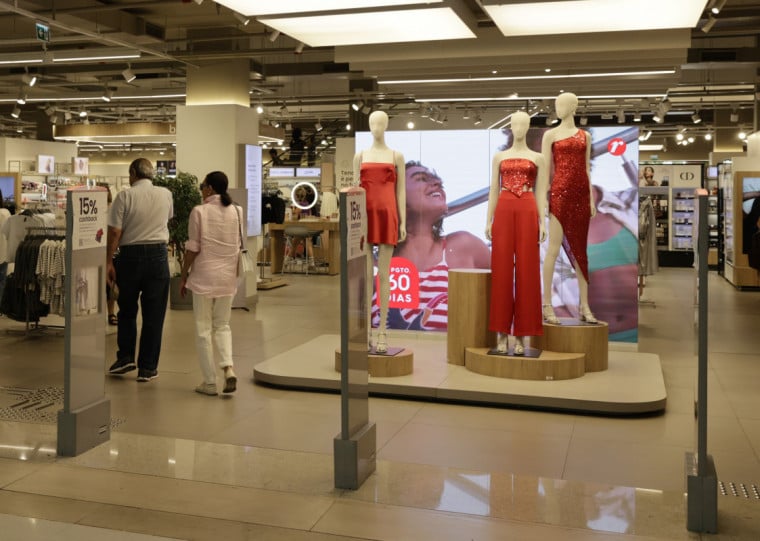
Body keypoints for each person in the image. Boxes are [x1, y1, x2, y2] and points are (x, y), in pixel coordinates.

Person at [384, 162, 490, 331]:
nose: (437, 183)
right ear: (396, 197)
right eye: (421, 178)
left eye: (437, 181)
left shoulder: (465, 247)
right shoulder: (377, 268)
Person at [485, 111, 547, 355]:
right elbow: (493, 189)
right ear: (510, 126)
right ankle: (501, 332)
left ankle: (522, 335)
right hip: (504, 207)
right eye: (515, 124)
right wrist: (488, 219)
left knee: (527, 271)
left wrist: (542, 222)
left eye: (524, 124)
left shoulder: (538, 157)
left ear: (529, 126)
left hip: (528, 207)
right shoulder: (499, 156)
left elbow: (541, 191)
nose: (519, 128)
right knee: (501, 271)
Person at [106, 158, 173, 382]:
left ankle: (126, 357)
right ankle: (148, 368)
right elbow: (166, 219)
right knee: (154, 314)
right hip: (158, 256)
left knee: (126, 309)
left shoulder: (124, 196)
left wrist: (108, 261)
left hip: (130, 257)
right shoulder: (166, 194)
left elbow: (115, 232)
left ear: (133, 173)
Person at [179, 171, 240, 396]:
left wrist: (184, 275)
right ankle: (229, 368)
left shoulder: (199, 212)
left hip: (204, 278)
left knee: (203, 329)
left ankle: (210, 382)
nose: (201, 190)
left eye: (203, 186)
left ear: (210, 188)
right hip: (227, 279)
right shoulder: (237, 211)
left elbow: (193, 248)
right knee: (222, 325)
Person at [540, 92, 597, 325]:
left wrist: (591, 198)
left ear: (573, 106)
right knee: (553, 249)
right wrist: (544, 198)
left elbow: (586, 168)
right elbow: (545, 169)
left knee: (581, 251)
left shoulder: (585, 136)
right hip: (560, 194)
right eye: (556, 105)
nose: (558, 108)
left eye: (562, 105)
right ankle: (546, 305)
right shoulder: (550, 135)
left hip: (581, 195)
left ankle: (585, 305)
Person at [354, 110, 406, 353]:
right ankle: (365, 331)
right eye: (372, 123)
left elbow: (401, 192)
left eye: (380, 123)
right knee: (365, 276)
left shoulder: (396, 155)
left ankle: (383, 330)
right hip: (365, 218)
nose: (376, 127)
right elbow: (355, 191)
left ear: (386, 126)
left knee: (384, 275)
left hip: (387, 216)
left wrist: (403, 221)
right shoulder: (360, 155)